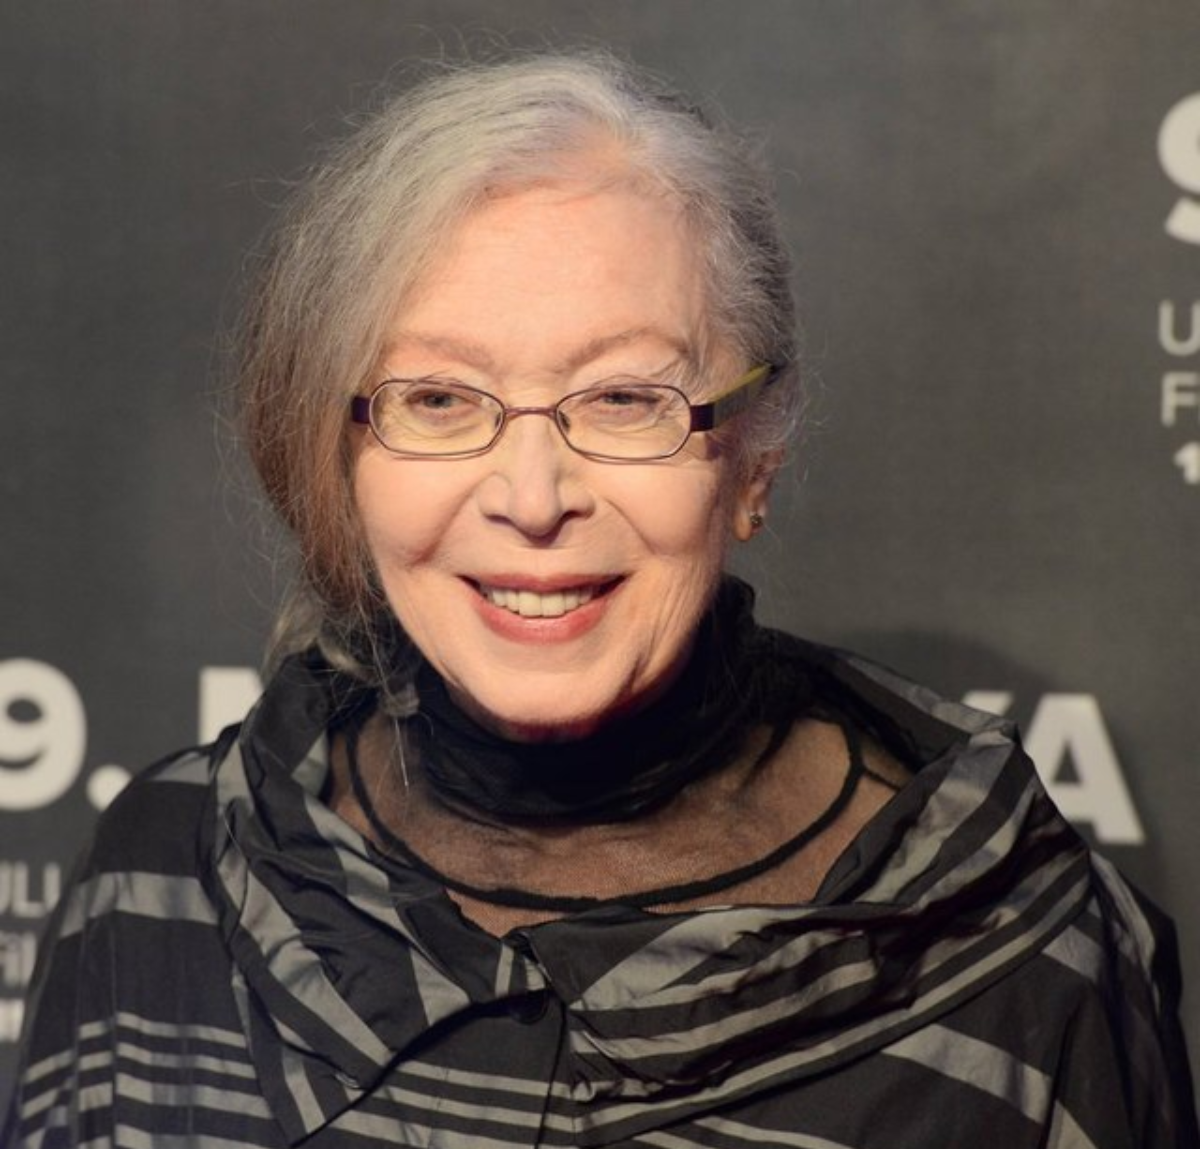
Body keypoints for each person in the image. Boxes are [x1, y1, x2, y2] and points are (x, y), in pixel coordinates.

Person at [4, 51, 1197, 1149]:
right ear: (343, 454)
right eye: (439, 398)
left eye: (627, 399)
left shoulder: (1024, 966)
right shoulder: (161, 886)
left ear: (754, 457)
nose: (532, 498)